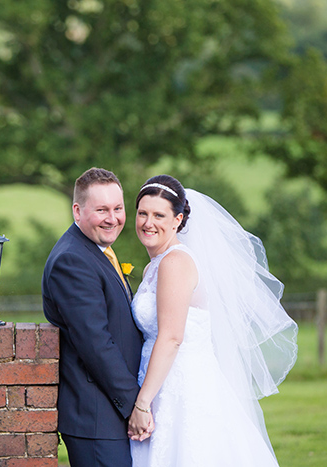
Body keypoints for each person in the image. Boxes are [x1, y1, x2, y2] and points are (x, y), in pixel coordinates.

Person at [127, 175, 298, 466]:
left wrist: (142, 404)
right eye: (143, 213)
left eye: (159, 215)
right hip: (159, 381)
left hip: (180, 388)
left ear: (177, 219)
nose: (148, 222)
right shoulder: (153, 267)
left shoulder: (175, 263)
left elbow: (171, 338)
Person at [42, 167, 145, 467]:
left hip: (108, 415)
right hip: (97, 417)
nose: (112, 218)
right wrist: (135, 405)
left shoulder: (96, 250)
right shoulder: (72, 260)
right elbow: (96, 344)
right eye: (101, 210)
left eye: (118, 208)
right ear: (77, 210)